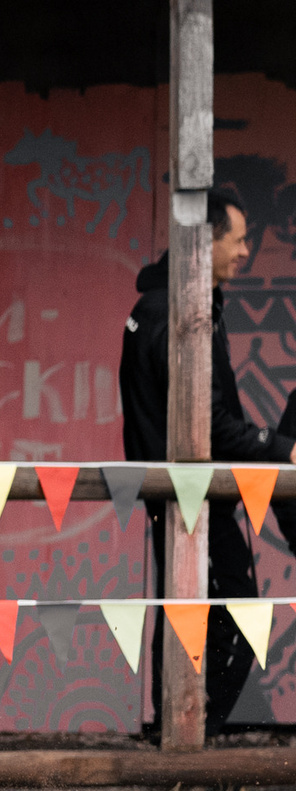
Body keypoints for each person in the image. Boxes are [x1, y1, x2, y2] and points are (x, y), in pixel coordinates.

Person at [117, 188, 293, 727]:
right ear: (204, 240)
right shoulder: (174, 313)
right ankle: (187, 745)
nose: (245, 252)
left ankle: (174, 740)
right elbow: (207, 428)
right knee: (229, 620)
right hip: (188, 494)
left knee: (188, 617)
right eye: (237, 240)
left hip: (190, 495)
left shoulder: (185, 304)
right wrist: (284, 449)